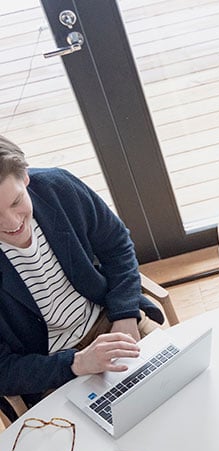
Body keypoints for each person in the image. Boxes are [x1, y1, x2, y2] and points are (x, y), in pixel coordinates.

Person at [0, 136, 163, 409]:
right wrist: (76, 363)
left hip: (110, 320)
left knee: (183, 389)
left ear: (26, 177)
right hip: (47, 368)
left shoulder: (59, 187)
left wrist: (124, 315)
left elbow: (117, 246)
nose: (12, 223)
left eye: (16, 202)